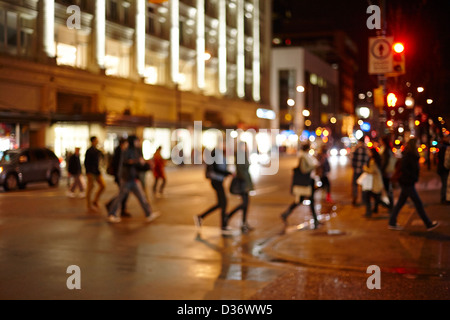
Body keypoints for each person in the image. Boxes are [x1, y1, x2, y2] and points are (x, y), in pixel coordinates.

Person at [388, 138, 439, 231]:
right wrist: (412, 176)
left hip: (408, 182)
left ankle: (392, 222)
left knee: (401, 202)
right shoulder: (408, 155)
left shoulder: (411, 155)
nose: (418, 145)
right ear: (413, 145)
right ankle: (428, 223)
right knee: (418, 203)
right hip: (407, 182)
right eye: (417, 143)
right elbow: (405, 169)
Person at [107, 135, 160, 223]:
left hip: (132, 178)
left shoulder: (135, 150)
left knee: (141, 196)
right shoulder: (127, 150)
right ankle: (112, 213)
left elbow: (137, 164)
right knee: (120, 197)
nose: (138, 142)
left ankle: (149, 213)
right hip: (126, 178)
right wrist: (138, 162)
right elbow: (127, 162)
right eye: (136, 141)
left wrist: (144, 164)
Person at [281, 143, 320, 229]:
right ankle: (315, 220)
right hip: (306, 182)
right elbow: (304, 169)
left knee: (302, 200)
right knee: (308, 200)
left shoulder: (306, 156)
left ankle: (285, 214)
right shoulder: (303, 157)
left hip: (309, 181)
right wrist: (313, 167)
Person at [194, 147, 232, 235]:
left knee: (221, 203)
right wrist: (228, 173)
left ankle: (201, 217)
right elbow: (217, 170)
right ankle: (223, 225)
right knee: (224, 203)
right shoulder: (216, 158)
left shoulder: (217, 157)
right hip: (216, 182)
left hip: (217, 182)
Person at [224, 142, 255, 234]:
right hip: (243, 182)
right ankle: (229, 216)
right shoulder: (240, 155)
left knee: (246, 204)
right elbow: (241, 169)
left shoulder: (243, 154)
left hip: (246, 181)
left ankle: (243, 223)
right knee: (244, 204)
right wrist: (245, 182)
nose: (245, 147)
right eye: (243, 146)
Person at [106, 138, 131, 218]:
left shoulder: (121, 151)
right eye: (126, 143)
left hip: (121, 176)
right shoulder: (119, 152)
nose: (127, 145)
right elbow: (118, 166)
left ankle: (114, 206)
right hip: (120, 176)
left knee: (123, 193)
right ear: (123, 143)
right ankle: (115, 208)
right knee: (123, 193)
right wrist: (118, 177)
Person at [85, 136, 105, 212]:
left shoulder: (97, 150)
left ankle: (95, 201)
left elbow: (102, 157)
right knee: (90, 188)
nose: (97, 142)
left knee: (103, 185)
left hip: (97, 171)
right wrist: (88, 172)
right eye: (96, 140)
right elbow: (86, 163)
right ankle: (89, 205)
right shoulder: (89, 151)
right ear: (93, 141)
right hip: (91, 172)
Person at [362, 148, 384, 218]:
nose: (368, 153)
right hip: (377, 180)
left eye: (369, 152)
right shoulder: (378, 159)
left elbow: (371, 171)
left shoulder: (372, 161)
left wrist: (365, 168)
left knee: (367, 196)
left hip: (373, 181)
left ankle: (369, 212)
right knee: (376, 196)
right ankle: (374, 209)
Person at [351, 137, 370, 206]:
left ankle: (355, 198)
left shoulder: (356, 148)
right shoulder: (366, 149)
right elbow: (368, 159)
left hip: (356, 170)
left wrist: (353, 166)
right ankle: (363, 199)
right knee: (363, 185)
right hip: (363, 170)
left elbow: (352, 158)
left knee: (354, 185)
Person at [379, 135, 396, 209]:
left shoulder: (386, 149)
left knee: (387, 188)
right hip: (386, 171)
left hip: (386, 172)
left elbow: (385, 161)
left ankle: (390, 204)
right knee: (387, 188)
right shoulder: (387, 148)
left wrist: (381, 170)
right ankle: (389, 204)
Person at [437, 134, 450, 204]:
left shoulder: (444, 147)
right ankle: (444, 198)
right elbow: (445, 160)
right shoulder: (445, 148)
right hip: (443, 169)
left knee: (445, 184)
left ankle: (444, 198)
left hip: (443, 168)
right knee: (445, 184)